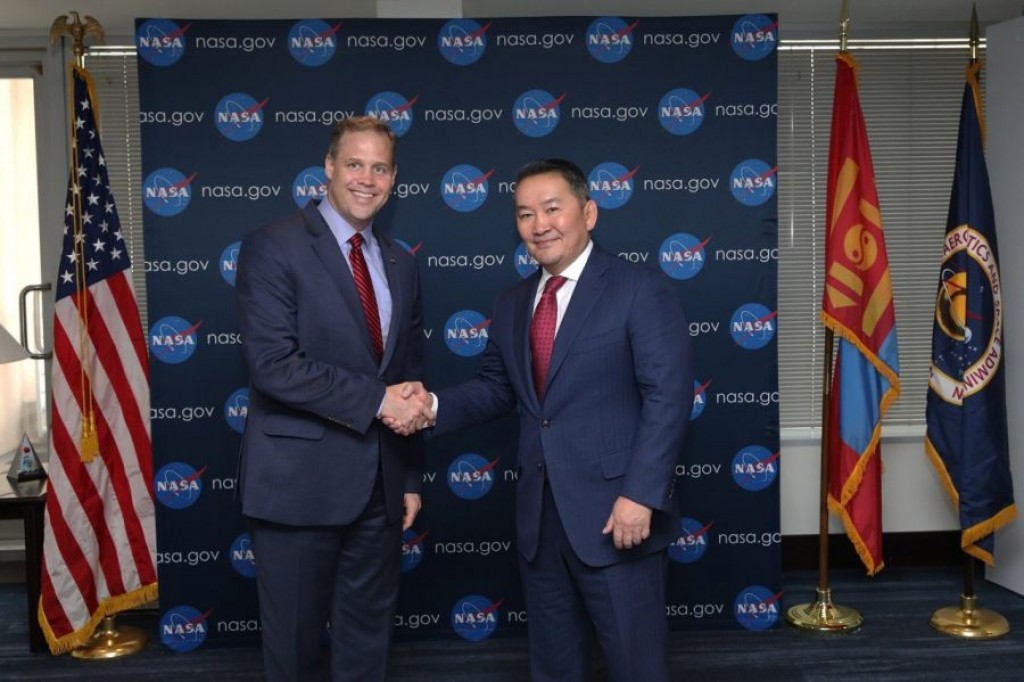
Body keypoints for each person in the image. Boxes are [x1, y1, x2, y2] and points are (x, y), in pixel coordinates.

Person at [421, 158, 693, 681]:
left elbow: (668, 398)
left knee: (636, 665)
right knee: (554, 666)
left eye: (551, 209)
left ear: (588, 213)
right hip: (540, 524)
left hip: (619, 517)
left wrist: (640, 495)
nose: (539, 225)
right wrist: (429, 407)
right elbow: (496, 389)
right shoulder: (512, 302)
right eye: (525, 214)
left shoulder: (640, 288)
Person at [235, 115, 434, 681]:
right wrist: (378, 402)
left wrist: (409, 476)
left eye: (380, 168)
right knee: (294, 650)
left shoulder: (401, 262)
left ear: (394, 178)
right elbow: (275, 367)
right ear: (328, 167)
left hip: (380, 487)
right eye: (354, 164)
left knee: (367, 644)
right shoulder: (273, 245)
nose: (366, 179)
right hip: (296, 486)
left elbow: (408, 373)